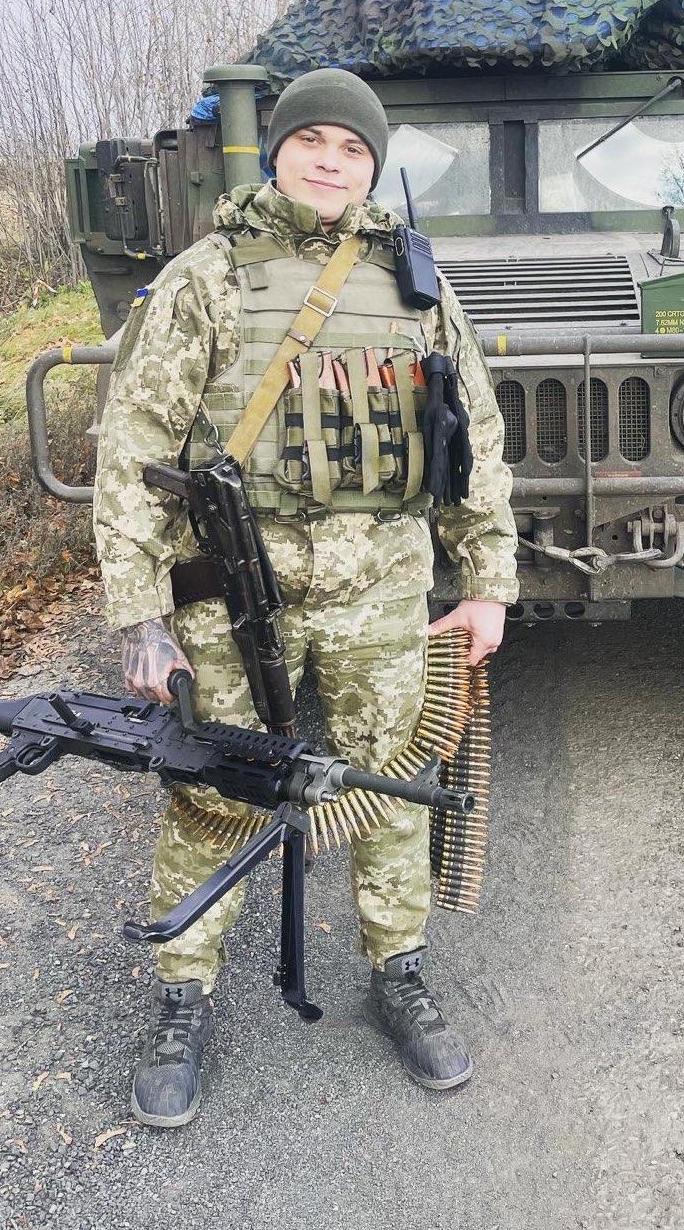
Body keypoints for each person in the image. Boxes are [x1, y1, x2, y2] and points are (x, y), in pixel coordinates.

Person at [92, 67, 518, 1127]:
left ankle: (398, 969)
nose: (330, 161)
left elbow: (475, 444)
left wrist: (490, 581)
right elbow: (132, 446)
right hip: (237, 600)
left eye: (353, 148)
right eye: (312, 141)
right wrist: (141, 615)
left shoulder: (416, 280)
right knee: (210, 796)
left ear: (374, 165)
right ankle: (183, 995)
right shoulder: (205, 277)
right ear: (275, 151)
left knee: (390, 790)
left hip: (383, 591)